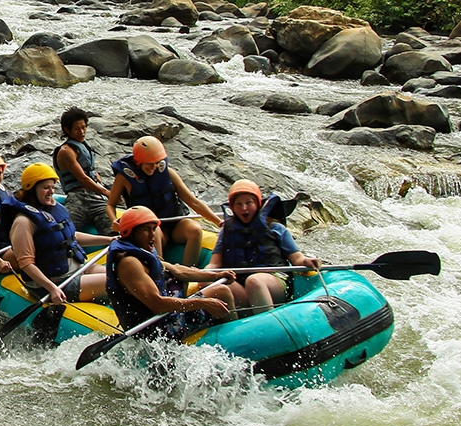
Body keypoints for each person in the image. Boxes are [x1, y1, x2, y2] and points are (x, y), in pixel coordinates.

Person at [106, 206, 236, 335]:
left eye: (153, 229)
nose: (152, 234)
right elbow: (157, 305)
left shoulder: (142, 252)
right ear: (130, 232)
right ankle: (233, 336)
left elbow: (178, 271)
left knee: (221, 290)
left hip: (169, 317)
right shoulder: (129, 264)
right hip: (157, 332)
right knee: (220, 293)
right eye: (146, 229)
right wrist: (202, 303)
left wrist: (216, 276)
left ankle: (230, 328)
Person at [206, 179, 321, 315]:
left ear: (258, 204)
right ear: (232, 207)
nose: (244, 208)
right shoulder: (227, 231)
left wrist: (306, 261)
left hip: (274, 281)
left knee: (254, 281)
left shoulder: (275, 228)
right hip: (240, 285)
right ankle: (233, 323)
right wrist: (203, 273)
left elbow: (297, 258)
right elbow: (214, 264)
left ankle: (271, 321)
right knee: (206, 282)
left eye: (249, 203)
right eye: (238, 204)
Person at [5, 163, 113, 306]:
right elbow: (26, 264)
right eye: (45, 188)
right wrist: (52, 288)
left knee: (123, 275)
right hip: (56, 283)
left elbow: (71, 236)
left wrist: (108, 240)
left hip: (77, 269)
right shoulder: (23, 222)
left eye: (52, 187)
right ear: (31, 190)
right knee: (117, 281)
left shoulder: (52, 209)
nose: (51, 191)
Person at [105, 135, 221, 267]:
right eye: (149, 163)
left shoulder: (168, 173)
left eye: (156, 163)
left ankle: (188, 270)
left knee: (195, 229)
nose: (153, 167)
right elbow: (111, 205)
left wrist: (218, 221)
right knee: (155, 231)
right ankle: (160, 271)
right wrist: (114, 220)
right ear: (138, 162)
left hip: (174, 225)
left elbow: (193, 202)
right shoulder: (124, 178)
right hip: (150, 228)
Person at [51, 107, 113, 236]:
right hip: (77, 198)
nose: (82, 132)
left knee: (113, 229)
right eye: (77, 129)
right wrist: (107, 193)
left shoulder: (83, 146)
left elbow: (91, 172)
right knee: (65, 234)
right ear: (67, 130)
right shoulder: (66, 151)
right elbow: (83, 179)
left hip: (95, 198)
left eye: (84, 127)